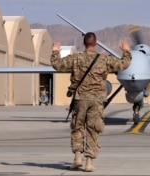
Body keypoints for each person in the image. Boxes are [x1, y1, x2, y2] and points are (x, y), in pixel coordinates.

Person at [51, 32, 132, 172]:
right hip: (97, 100)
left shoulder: (75, 59)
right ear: (96, 44)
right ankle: (89, 162)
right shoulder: (104, 60)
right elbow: (124, 64)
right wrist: (126, 50)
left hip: (80, 99)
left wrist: (55, 51)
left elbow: (57, 65)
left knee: (77, 127)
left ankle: (77, 157)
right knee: (93, 128)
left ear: (84, 44)